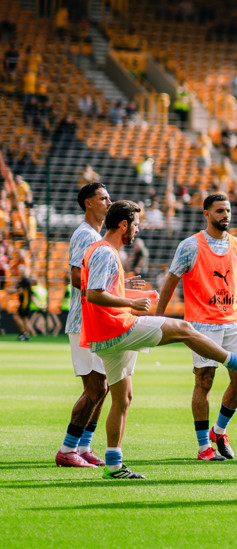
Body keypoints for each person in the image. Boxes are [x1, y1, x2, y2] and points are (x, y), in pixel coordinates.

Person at [81, 200, 237, 479]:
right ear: (123, 225)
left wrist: (129, 295)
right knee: (185, 329)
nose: (138, 231)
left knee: (123, 398)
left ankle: (114, 465)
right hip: (117, 328)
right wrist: (136, 302)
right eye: (137, 226)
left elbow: (97, 291)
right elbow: (94, 294)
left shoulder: (98, 250)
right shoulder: (106, 252)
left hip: (103, 337)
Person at [156, 194, 237, 461]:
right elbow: (171, 281)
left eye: (229, 211)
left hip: (233, 321)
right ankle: (203, 448)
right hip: (202, 324)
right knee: (204, 381)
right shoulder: (190, 245)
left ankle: (219, 431)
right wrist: (157, 317)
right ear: (206, 214)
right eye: (220, 210)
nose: (226, 215)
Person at [55, 183, 113, 468]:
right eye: (103, 197)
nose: (108, 201)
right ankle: (67, 449)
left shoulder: (97, 237)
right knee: (95, 388)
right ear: (88, 203)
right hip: (83, 321)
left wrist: (118, 287)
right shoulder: (84, 235)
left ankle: (85, 447)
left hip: (96, 321)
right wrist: (111, 291)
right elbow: (77, 278)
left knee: (104, 387)